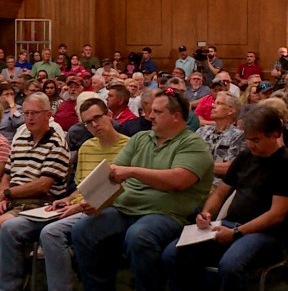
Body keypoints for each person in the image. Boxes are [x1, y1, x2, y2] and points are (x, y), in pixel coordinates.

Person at [70, 88, 214, 291]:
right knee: (83, 230)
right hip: (126, 209)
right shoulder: (141, 139)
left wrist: (133, 172)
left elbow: (178, 181)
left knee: (139, 236)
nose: (150, 116)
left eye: (157, 112)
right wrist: (94, 200)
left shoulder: (194, 144)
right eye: (150, 110)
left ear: (176, 116)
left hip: (167, 215)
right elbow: (113, 175)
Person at [162, 105, 288, 291]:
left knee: (231, 265)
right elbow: (220, 193)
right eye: (248, 139)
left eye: (256, 140)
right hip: (231, 225)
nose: (251, 145)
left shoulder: (287, 163)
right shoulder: (246, 156)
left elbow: (276, 214)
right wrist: (207, 213)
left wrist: (236, 232)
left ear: (275, 134)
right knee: (173, 253)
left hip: (268, 234)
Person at [0, 98, 129, 291]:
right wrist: (68, 199)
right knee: (10, 228)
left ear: (109, 116)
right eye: (88, 122)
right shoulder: (86, 147)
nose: (94, 125)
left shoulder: (129, 146)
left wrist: (7, 194)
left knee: (49, 232)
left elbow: (123, 187)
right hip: (68, 205)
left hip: (96, 206)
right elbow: (81, 187)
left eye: (97, 118)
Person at [0, 93, 70, 227]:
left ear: (48, 115)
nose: (29, 118)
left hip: (38, 205)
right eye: (26, 113)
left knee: (5, 225)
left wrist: (8, 193)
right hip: (12, 201)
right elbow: (7, 176)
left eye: (35, 113)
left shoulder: (56, 144)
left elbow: (42, 186)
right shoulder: (19, 141)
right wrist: (3, 196)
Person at [196, 91, 245, 188]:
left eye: (219, 104)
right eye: (214, 102)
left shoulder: (239, 136)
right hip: (193, 180)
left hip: (218, 186)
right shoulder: (202, 131)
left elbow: (230, 168)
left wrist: (197, 166)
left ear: (230, 111)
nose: (213, 106)